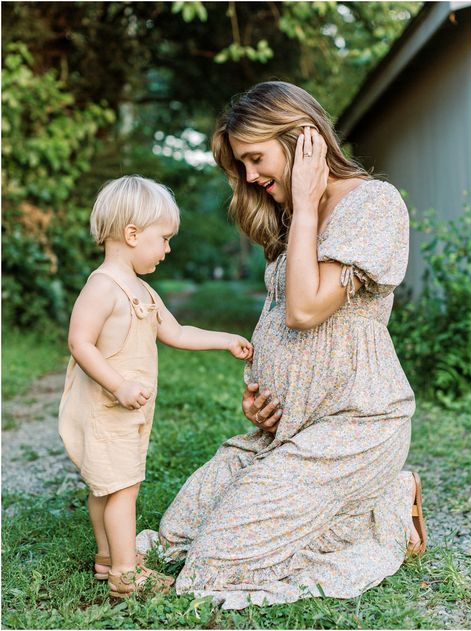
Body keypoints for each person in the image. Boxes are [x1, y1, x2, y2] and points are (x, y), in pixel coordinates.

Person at [136, 81, 428, 610]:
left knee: (215, 565)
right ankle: (361, 505)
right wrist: (266, 398)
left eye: (254, 158)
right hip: (286, 428)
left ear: (301, 139)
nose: (249, 177)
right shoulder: (292, 220)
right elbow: (281, 324)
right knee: (174, 537)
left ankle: (383, 500)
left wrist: (309, 204)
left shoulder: (372, 204)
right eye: (240, 166)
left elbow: (306, 309)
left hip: (354, 426)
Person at [58, 175, 253, 599]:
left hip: (128, 412)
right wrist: (118, 385)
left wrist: (224, 339)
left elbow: (178, 332)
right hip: (108, 408)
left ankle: (107, 558)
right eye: (163, 239)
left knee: (107, 487)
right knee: (120, 490)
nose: (167, 249)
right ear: (132, 234)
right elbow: (80, 342)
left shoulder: (142, 289)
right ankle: (126, 577)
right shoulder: (102, 288)